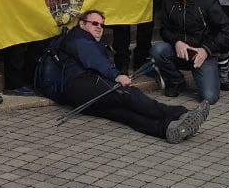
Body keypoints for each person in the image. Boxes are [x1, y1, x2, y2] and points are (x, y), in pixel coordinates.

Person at [41, 11, 209, 143]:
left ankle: (167, 129)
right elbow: (95, 60)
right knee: (128, 94)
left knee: (122, 113)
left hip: (73, 93)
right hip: (79, 83)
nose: (99, 27)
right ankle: (181, 114)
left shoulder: (86, 40)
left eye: (102, 24)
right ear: (82, 24)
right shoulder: (79, 37)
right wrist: (117, 76)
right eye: (94, 23)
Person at [150, 0, 229, 103]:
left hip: (202, 53)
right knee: (158, 50)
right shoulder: (168, 1)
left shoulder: (208, 1)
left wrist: (206, 50)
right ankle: (176, 81)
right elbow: (164, 30)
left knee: (209, 97)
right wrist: (176, 41)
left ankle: (211, 73)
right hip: (180, 51)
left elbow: (227, 31)